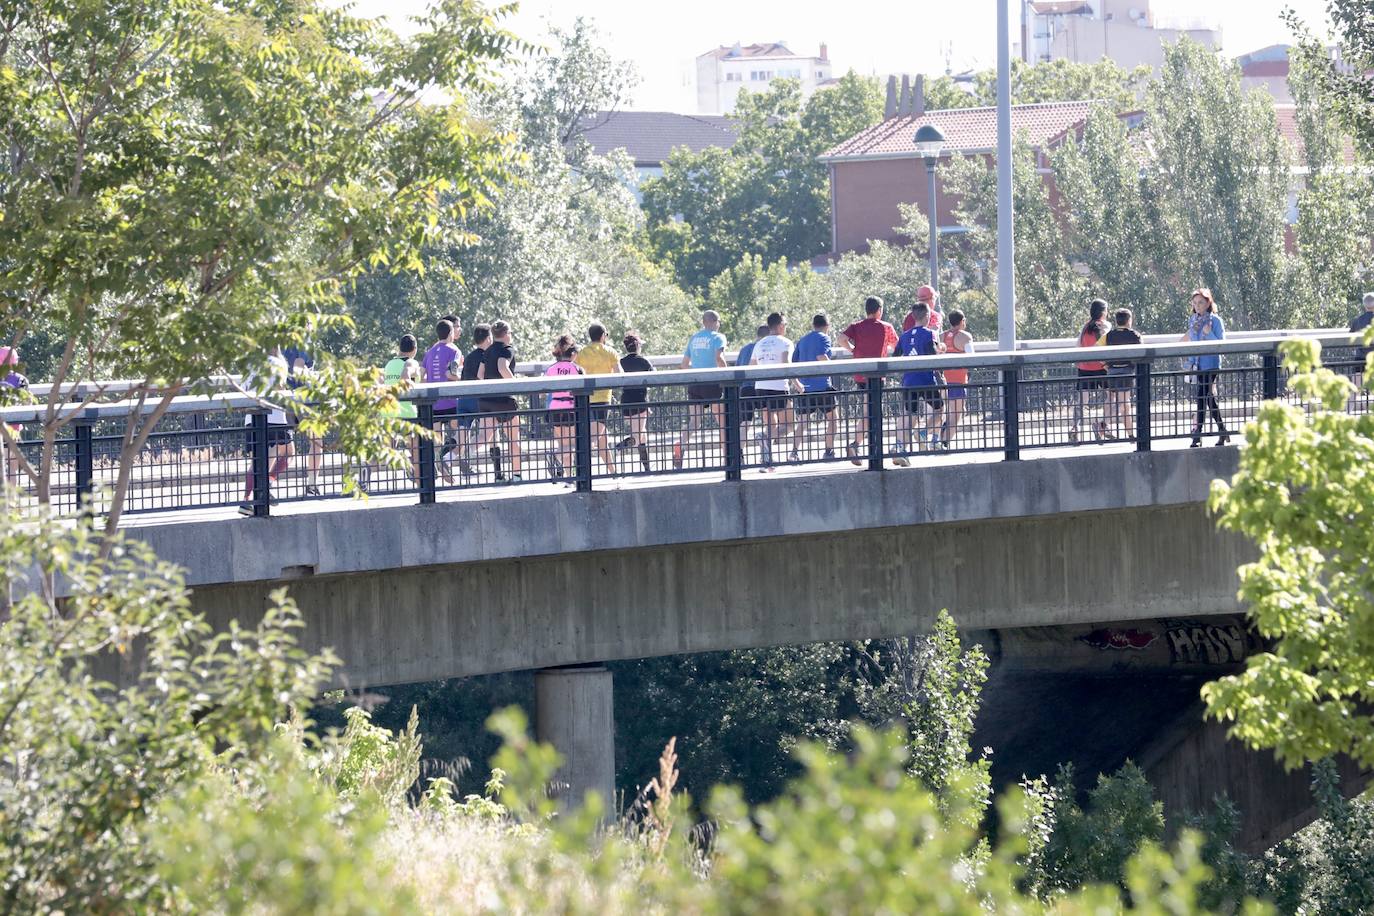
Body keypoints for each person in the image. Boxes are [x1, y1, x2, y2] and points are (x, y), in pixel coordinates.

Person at [842, 296, 899, 465]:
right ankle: (858, 445)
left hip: (860, 374)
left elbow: (840, 339)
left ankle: (863, 447)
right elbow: (897, 346)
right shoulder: (886, 327)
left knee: (870, 411)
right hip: (877, 374)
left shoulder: (856, 326)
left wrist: (853, 349)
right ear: (879, 310)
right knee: (871, 412)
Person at [239, 348, 293, 516]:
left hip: (251, 418)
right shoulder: (276, 363)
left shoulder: (250, 364)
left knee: (258, 462)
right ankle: (267, 483)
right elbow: (279, 386)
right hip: (273, 417)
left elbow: (242, 388)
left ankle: (247, 500)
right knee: (288, 454)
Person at [674, 310, 728, 470]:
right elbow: (719, 358)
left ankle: (681, 444)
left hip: (695, 382)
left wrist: (697, 368)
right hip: (712, 382)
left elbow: (683, 365)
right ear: (715, 322)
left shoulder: (694, 338)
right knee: (723, 423)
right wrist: (727, 375)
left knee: (694, 422)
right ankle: (728, 457)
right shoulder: (719, 337)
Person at [750, 312, 803, 469]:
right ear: (780, 326)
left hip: (760, 387)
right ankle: (765, 438)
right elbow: (786, 364)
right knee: (789, 425)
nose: (785, 327)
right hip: (778, 386)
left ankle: (768, 462)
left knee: (770, 424)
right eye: (785, 325)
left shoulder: (759, 344)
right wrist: (797, 384)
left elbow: (751, 366)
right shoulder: (786, 342)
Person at [1179, 288, 1230, 448]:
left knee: (1202, 398)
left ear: (1208, 303)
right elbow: (1193, 343)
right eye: (1194, 303)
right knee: (1208, 399)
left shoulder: (1215, 321)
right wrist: (1191, 364)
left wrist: (1208, 333)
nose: (1197, 306)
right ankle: (1222, 431)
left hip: (1211, 365)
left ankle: (1197, 436)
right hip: (1198, 365)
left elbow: (1221, 344)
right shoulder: (1193, 320)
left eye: (1201, 302)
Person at [894, 302, 945, 462]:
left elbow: (895, 358)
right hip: (926, 380)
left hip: (909, 381)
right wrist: (941, 369)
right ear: (928, 316)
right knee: (939, 410)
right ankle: (923, 433)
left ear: (913, 316)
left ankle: (901, 449)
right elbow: (932, 356)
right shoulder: (930, 334)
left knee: (909, 415)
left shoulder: (904, 336)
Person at [477, 320, 522, 482]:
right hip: (504, 400)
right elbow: (502, 366)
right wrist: (515, 384)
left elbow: (480, 374)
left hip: (487, 399)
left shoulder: (487, 350)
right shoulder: (507, 349)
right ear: (506, 334)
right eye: (510, 333)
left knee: (485, 437)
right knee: (513, 439)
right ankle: (516, 475)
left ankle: (457, 455)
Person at [574, 322, 620, 476]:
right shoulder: (610, 352)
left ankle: (613, 473)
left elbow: (574, 372)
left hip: (584, 398)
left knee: (602, 440)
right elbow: (620, 374)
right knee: (594, 439)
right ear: (602, 336)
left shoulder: (581, 353)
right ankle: (566, 462)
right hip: (602, 398)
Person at [793, 313, 838, 460]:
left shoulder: (802, 340)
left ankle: (794, 452)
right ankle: (828, 450)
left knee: (803, 421)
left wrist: (797, 383)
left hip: (805, 387)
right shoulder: (824, 338)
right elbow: (821, 357)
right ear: (827, 326)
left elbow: (794, 363)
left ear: (813, 325)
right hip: (822, 386)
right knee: (832, 418)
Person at [281, 345, 324, 496]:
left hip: (283, 398)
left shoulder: (282, 343)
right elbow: (298, 369)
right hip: (302, 399)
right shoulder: (304, 343)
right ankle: (312, 484)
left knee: (282, 447)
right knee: (316, 441)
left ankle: (266, 483)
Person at [423, 318, 463, 480]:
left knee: (436, 439)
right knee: (461, 434)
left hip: (434, 401)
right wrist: (462, 379)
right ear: (451, 333)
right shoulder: (454, 350)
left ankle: (437, 466)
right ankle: (446, 457)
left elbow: (422, 375)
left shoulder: (429, 352)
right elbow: (451, 373)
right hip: (451, 400)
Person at [381, 334, 422, 485]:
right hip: (407, 412)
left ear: (399, 348)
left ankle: (367, 470)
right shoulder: (412, 362)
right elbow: (405, 377)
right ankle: (419, 483)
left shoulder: (389, 364)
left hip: (387, 412)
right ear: (414, 349)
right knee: (417, 448)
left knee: (387, 449)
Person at [453, 324, 491, 478]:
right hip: (478, 399)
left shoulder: (468, 356)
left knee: (462, 434)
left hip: (463, 399)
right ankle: (467, 454)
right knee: (487, 434)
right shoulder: (487, 356)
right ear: (489, 338)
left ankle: (448, 459)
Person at [544, 335, 582, 483]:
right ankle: (555, 457)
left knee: (563, 443)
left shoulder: (551, 369)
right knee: (571, 444)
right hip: (570, 409)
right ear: (573, 354)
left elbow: (543, 390)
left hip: (554, 408)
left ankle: (568, 477)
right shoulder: (576, 369)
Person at [1071, 300, 1110, 443]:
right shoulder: (1106, 326)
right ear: (1104, 312)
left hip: (1084, 367)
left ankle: (1075, 428)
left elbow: (1078, 346)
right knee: (1112, 397)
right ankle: (1102, 425)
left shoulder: (1085, 327)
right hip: (1101, 368)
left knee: (1082, 401)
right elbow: (1106, 347)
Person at [618, 332, 655, 473]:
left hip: (626, 401)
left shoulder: (621, 362)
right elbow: (653, 378)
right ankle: (622, 446)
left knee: (641, 432)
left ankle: (646, 466)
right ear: (638, 346)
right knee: (637, 434)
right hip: (640, 401)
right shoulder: (643, 361)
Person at [1105, 308, 1142, 441]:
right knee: (1125, 404)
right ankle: (1130, 434)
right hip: (1126, 372)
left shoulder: (1109, 335)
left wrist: (1106, 365)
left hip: (1111, 371)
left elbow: (1101, 350)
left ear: (1116, 321)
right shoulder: (1134, 335)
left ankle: (1104, 424)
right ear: (1129, 321)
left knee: (1110, 399)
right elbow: (1141, 353)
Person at [940, 310, 972, 449]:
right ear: (962, 321)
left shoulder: (941, 336)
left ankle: (939, 438)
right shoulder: (965, 337)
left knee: (949, 412)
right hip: (958, 380)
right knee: (957, 415)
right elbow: (972, 357)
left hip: (942, 380)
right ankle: (943, 442)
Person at [735, 324, 769, 447]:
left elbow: (738, 368)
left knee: (745, 423)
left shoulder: (744, 349)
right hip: (761, 387)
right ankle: (766, 448)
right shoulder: (765, 347)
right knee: (770, 419)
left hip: (745, 388)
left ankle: (740, 454)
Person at [0, 346, 28, 491]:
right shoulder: (21, 380)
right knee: (12, 465)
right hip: (14, 428)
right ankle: (11, 501)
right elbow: (26, 402)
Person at [1348, 292, 1373, 387]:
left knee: (1356, 384)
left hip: (1360, 357)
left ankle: (1352, 400)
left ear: (1364, 305)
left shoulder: (1357, 320)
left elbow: (1350, 339)